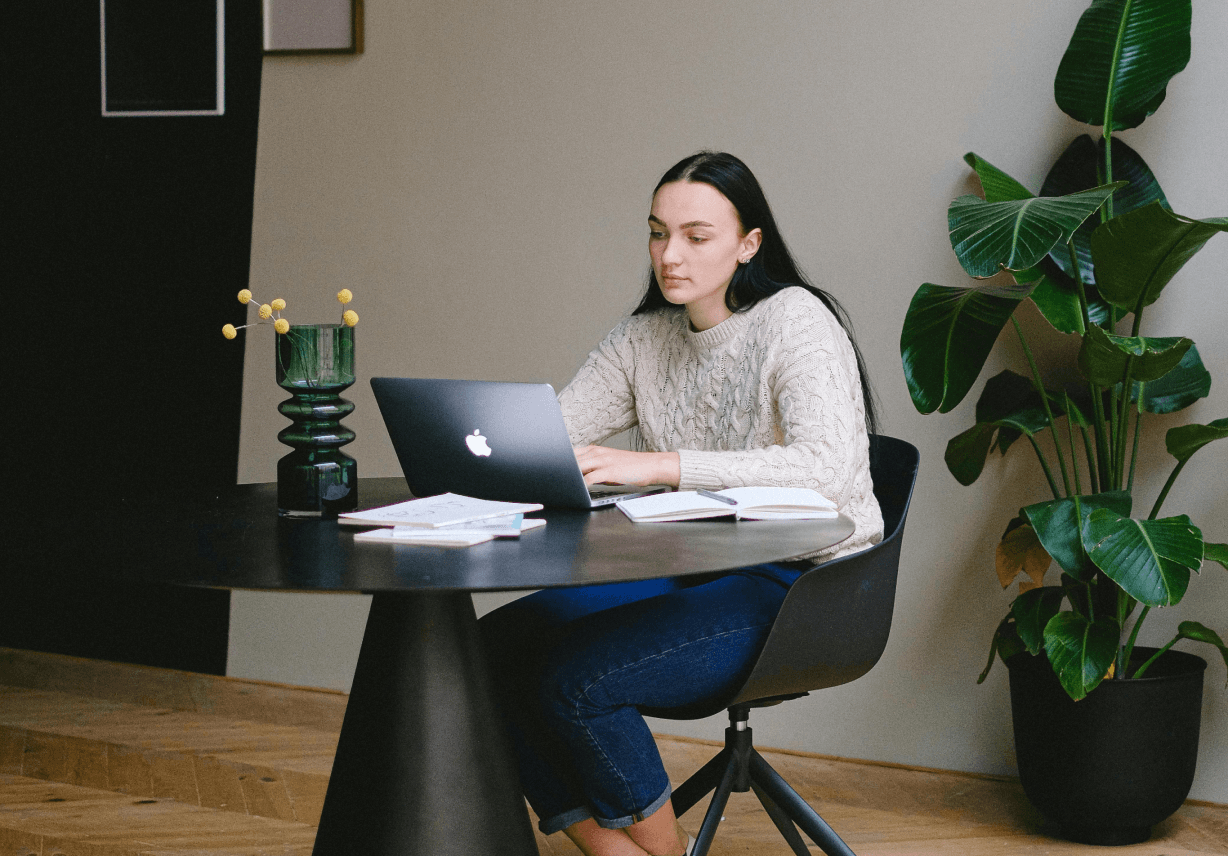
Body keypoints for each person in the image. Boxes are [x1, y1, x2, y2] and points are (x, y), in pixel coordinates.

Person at [479, 151, 883, 856]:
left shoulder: (796, 321)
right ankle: (609, 848)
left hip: (801, 584)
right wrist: (483, 446)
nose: (670, 255)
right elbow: (555, 437)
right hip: (692, 567)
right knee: (483, 651)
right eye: (658, 233)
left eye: (697, 236)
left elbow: (827, 471)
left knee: (578, 681)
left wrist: (658, 467)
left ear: (748, 244)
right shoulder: (645, 338)